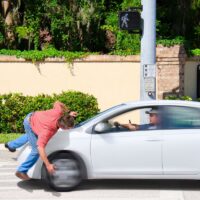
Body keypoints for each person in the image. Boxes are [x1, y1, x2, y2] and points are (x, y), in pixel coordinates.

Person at [5, 101, 77, 180]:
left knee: (31, 135)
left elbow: (57, 103)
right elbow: (40, 148)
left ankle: (11, 145)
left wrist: (69, 112)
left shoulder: (58, 112)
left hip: (35, 118)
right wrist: (48, 165)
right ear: (62, 127)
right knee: (35, 151)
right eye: (69, 128)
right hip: (29, 122)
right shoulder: (47, 132)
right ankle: (21, 171)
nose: (70, 129)